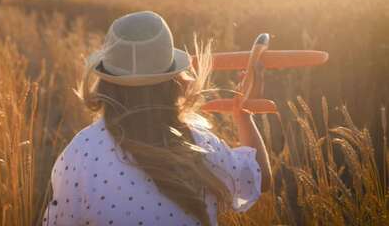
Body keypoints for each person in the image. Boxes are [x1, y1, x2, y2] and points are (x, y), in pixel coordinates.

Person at [41, 11, 272, 226]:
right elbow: (259, 178)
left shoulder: (80, 152)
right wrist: (243, 113)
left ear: (106, 83)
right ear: (174, 82)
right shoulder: (199, 145)